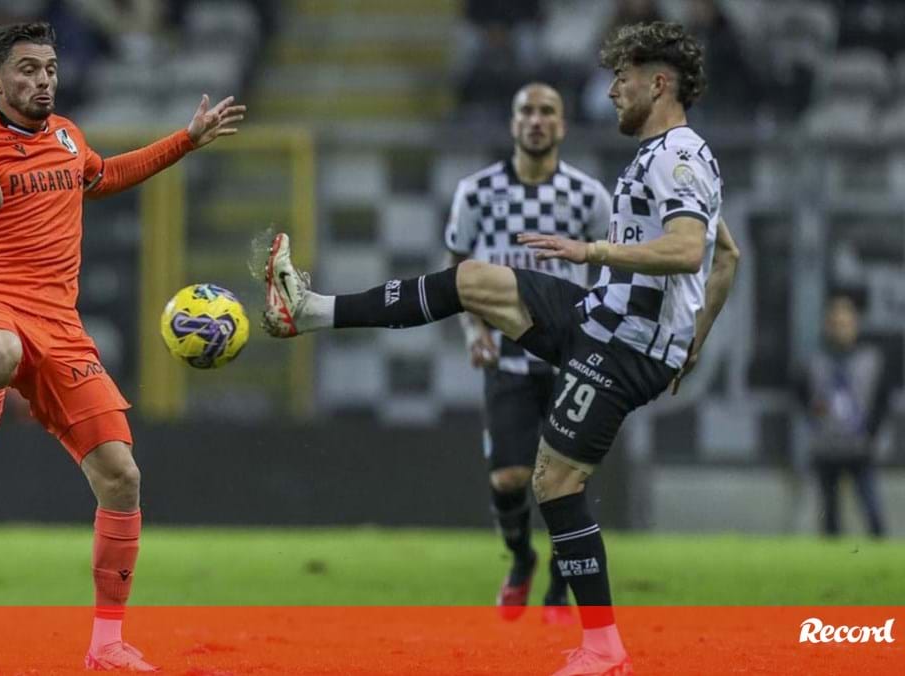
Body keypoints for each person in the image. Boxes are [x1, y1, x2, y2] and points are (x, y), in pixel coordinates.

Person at [264, 21, 739, 676]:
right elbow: (726, 257)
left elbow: (690, 250)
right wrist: (693, 340)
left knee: (555, 481)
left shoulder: (676, 158)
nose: (611, 93)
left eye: (622, 80)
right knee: (472, 280)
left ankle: (603, 650)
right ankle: (312, 311)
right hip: (600, 320)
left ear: (659, 83)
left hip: (623, 345)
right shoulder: (674, 154)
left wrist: (594, 252)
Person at [0, 21, 243, 672]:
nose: (43, 80)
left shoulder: (68, 136)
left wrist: (187, 140)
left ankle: (106, 645)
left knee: (122, 477)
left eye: (50, 69)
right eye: (29, 69)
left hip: (61, 324)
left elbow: (104, 176)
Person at [444, 83, 610, 625]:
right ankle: (521, 559)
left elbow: (610, 269)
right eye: (526, 112)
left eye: (547, 112)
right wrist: (475, 334)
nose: (536, 121)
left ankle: (560, 591)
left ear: (562, 126)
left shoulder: (589, 197)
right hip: (509, 360)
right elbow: (459, 267)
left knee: (566, 479)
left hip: (572, 361)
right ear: (513, 124)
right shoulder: (477, 192)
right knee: (510, 478)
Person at [802, 292, 890, 538]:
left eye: (846, 323)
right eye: (836, 324)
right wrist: (816, 420)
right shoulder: (816, 361)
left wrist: (871, 432)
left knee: (872, 509)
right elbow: (802, 395)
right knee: (830, 514)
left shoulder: (870, 360)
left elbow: (882, 400)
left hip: (860, 447)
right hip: (827, 446)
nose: (841, 330)